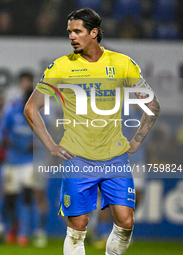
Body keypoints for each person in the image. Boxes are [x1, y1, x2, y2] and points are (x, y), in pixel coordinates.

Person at [24, 8, 161, 255]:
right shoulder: (61, 67)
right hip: (78, 159)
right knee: (78, 225)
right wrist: (51, 146)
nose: (72, 37)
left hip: (115, 158)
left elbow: (152, 105)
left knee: (126, 221)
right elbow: (31, 108)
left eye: (77, 31)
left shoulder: (122, 64)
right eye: (69, 32)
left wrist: (137, 140)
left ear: (94, 33)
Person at [0, 72, 48, 247]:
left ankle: (25, 233)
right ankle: (10, 228)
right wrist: (2, 140)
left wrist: (36, 143)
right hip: (12, 160)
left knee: (28, 196)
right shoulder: (12, 109)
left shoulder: (40, 110)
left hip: (30, 161)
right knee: (9, 198)